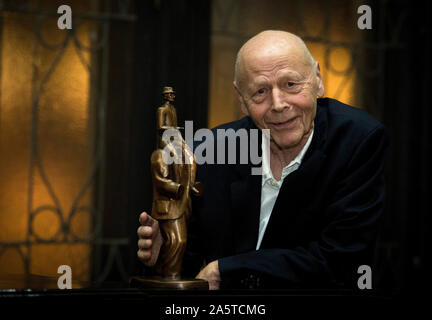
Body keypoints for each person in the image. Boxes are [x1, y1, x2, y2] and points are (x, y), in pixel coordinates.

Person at [137, 30, 388, 290]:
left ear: (317, 79)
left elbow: (342, 258)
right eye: (260, 91)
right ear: (242, 100)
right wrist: (165, 258)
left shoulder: (357, 141)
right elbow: (191, 273)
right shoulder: (208, 151)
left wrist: (227, 270)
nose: (278, 104)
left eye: (290, 84)